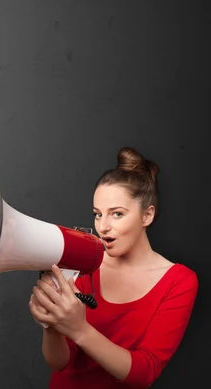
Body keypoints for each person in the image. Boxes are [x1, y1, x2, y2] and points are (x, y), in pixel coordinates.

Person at [28, 146, 198, 388]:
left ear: (147, 216)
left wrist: (79, 330)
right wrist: (52, 325)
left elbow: (144, 372)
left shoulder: (179, 281)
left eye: (117, 214)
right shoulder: (85, 262)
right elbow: (59, 363)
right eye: (97, 214)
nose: (103, 227)